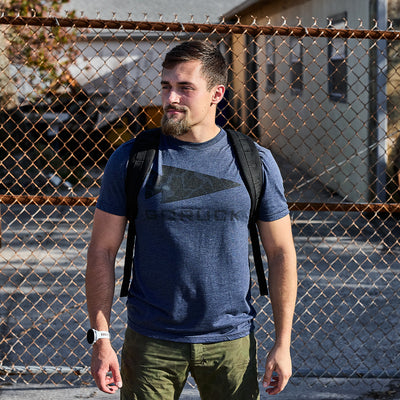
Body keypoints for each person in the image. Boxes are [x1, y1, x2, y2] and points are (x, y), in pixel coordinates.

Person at [86, 40, 297, 399]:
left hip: (230, 342)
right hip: (152, 341)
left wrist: (282, 343)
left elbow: (281, 253)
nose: (170, 99)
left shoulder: (254, 161)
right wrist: (101, 339)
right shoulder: (132, 158)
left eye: (185, 88)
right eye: (166, 86)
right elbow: (102, 251)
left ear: (217, 93)